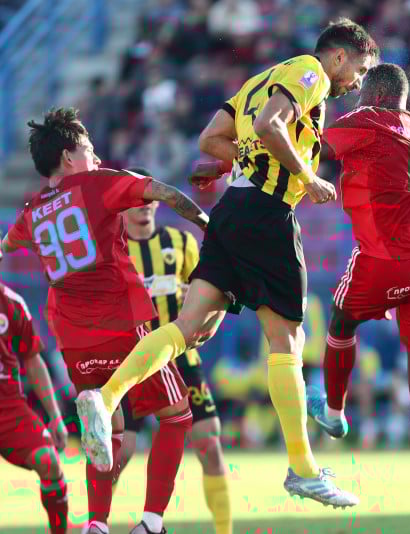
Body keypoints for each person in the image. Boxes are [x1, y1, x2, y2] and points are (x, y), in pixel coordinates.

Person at [77, 18, 380, 507]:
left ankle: (106, 396)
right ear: (340, 56)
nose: (358, 82)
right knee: (286, 338)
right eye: (360, 70)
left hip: (232, 210)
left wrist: (233, 162)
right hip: (267, 215)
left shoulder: (262, 78)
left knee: (192, 325)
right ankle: (302, 468)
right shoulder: (312, 73)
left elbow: (213, 138)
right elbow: (268, 126)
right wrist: (310, 178)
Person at [0, 107, 209, 534]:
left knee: (109, 428)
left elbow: (5, 245)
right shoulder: (96, 184)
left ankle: (96, 524)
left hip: (75, 343)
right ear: (68, 156)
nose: (96, 157)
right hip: (123, 327)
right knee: (177, 415)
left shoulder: (31, 212)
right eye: (89, 149)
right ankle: (151, 523)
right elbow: (164, 193)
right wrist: (209, 224)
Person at [302, 63, 410, 534]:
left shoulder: (364, 120)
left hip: (380, 258)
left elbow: (315, 145)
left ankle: (333, 412)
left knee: (341, 324)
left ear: (369, 93)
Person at [115, 167, 231, 534]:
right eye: (136, 201)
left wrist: (204, 317)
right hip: (134, 361)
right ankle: (96, 524)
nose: (144, 206)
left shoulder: (181, 243)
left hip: (182, 358)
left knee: (210, 444)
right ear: (121, 208)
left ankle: (224, 530)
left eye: (149, 200)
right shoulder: (113, 250)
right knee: (121, 452)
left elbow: (211, 288)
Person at [0, 281, 69, 533]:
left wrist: (55, 416)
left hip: (8, 408)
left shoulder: (12, 303)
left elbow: (32, 358)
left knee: (48, 460)